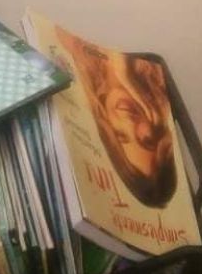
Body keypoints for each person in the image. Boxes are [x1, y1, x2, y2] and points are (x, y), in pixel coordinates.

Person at [56, 27, 177, 208]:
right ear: (160, 126)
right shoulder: (153, 76)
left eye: (121, 136)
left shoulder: (75, 60)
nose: (129, 123)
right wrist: (125, 72)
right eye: (147, 138)